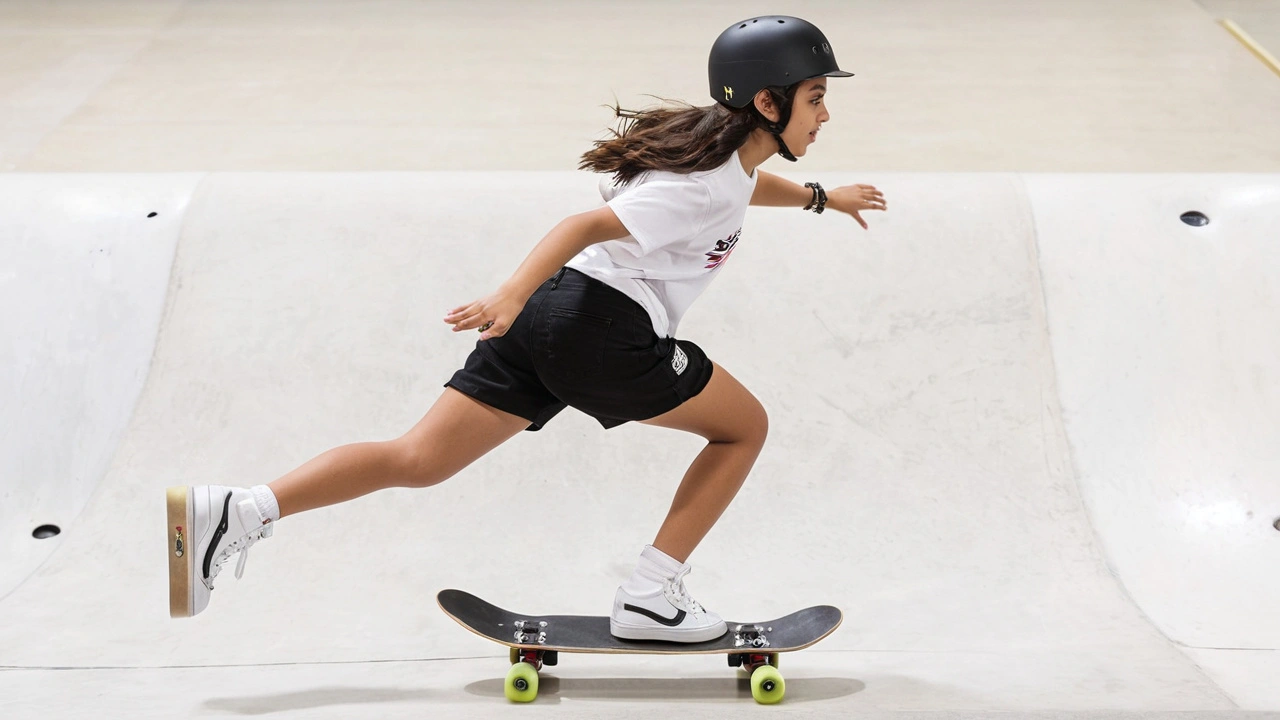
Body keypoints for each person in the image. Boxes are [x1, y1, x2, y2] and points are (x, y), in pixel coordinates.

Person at [165, 15, 886, 643]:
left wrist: (823, 197)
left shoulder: (722, 159)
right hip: (600, 327)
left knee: (418, 458)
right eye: (816, 97)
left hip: (555, 314)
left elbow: (749, 188)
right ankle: (650, 594)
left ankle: (240, 510)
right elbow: (584, 223)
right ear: (768, 101)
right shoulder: (697, 182)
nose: (825, 115)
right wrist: (507, 293)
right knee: (744, 427)